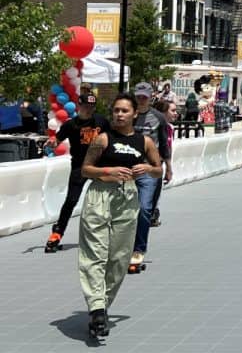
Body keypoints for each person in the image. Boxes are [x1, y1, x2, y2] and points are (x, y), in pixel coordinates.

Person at [79, 93, 162, 338]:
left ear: (135, 114)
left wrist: (148, 168)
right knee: (95, 253)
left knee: (119, 258)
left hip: (127, 198)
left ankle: (102, 305)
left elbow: (158, 170)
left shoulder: (144, 142)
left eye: (125, 111)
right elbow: (85, 169)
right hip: (100, 197)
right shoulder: (102, 139)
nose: (119, 114)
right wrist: (107, 171)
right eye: (116, 110)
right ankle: (96, 308)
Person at [44, 94, 111, 253]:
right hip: (80, 166)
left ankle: (110, 234)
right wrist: (53, 143)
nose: (89, 109)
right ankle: (57, 233)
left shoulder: (101, 121)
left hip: (100, 165)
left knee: (108, 198)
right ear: (79, 106)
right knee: (71, 200)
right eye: (86, 106)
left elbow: (112, 139)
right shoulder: (71, 125)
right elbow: (57, 140)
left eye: (92, 107)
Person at [131, 82, 171, 272]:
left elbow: (164, 144)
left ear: (150, 97)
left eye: (144, 96)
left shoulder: (158, 118)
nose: (141, 99)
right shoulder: (127, 115)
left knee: (145, 208)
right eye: (138, 96)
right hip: (126, 168)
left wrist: (168, 167)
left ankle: (138, 250)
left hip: (149, 168)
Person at [150, 100, 178, 226]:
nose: (175, 114)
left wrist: (168, 167)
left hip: (160, 165)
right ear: (162, 113)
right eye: (172, 110)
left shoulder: (170, 128)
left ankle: (153, 213)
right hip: (148, 164)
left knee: (157, 190)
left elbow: (168, 148)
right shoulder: (153, 126)